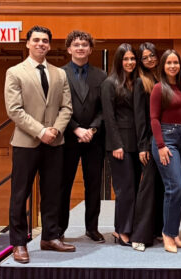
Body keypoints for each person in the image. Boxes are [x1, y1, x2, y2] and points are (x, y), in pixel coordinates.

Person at [4, 25, 74, 264]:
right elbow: (14, 110)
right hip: (26, 143)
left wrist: (55, 130)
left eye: (45, 40)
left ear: (49, 45)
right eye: (36, 40)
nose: (41, 44)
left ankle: (50, 237)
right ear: (28, 43)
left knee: (53, 192)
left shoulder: (60, 74)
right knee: (20, 194)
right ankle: (19, 243)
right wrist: (41, 130)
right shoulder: (15, 72)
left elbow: (67, 107)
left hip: (55, 142)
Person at [59, 30, 107, 243]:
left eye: (84, 44)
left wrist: (92, 129)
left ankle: (92, 228)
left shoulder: (101, 75)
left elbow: (104, 108)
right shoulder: (59, 74)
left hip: (94, 139)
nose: (80, 48)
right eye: (76, 44)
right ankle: (59, 229)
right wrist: (76, 128)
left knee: (94, 185)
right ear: (69, 48)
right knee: (64, 184)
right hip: (67, 139)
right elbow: (56, 107)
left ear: (90, 49)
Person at [150, 49, 181, 253]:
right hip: (167, 139)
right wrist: (160, 146)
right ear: (163, 66)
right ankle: (167, 234)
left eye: (176, 62)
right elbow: (154, 119)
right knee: (174, 187)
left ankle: (174, 232)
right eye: (169, 63)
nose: (173, 66)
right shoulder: (159, 88)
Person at [101, 43, 141, 247]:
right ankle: (122, 231)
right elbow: (109, 117)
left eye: (133, 59)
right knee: (125, 189)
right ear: (119, 61)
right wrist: (117, 145)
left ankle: (126, 227)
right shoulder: (110, 83)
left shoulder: (136, 82)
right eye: (126, 59)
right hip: (119, 146)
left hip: (136, 144)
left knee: (134, 188)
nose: (130, 62)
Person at [131, 42, 164, 251]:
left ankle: (155, 230)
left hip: (163, 140)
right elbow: (139, 118)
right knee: (148, 188)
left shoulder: (160, 79)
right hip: (149, 142)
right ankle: (140, 235)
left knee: (160, 187)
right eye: (145, 57)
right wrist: (143, 145)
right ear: (140, 62)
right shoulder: (139, 83)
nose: (150, 59)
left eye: (152, 55)